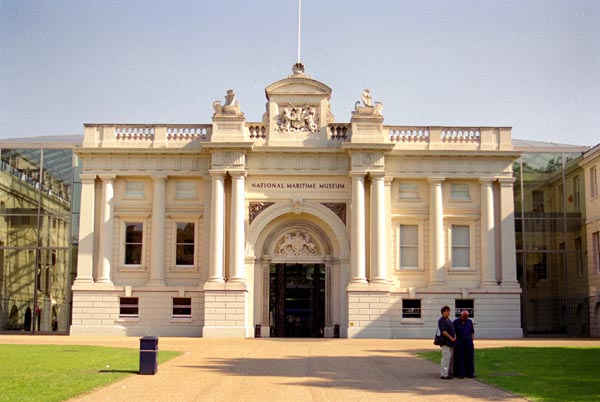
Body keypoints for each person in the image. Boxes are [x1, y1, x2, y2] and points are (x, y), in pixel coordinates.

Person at [453, 310, 475, 378]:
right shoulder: (455, 322)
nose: (465, 318)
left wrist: (472, 339)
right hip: (460, 342)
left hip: (468, 341)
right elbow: (453, 332)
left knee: (470, 357)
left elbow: (472, 332)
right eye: (464, 317)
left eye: (467, 317)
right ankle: (460, 373)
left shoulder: (469, 321)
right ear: (461, 315)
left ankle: (470, 373)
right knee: (460, 358)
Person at [437, 305, 456, 379]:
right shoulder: (441, 320)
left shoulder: (448, 320)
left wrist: (454, 336)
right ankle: (444, 374)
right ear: (443, 312)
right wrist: (451, 338)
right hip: (445, 342)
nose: (448, 312)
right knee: (445, 358)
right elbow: (444, 332)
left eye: (449, 311)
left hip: (451, 342)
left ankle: (447, 372)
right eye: (447, 311)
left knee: (448, 358)